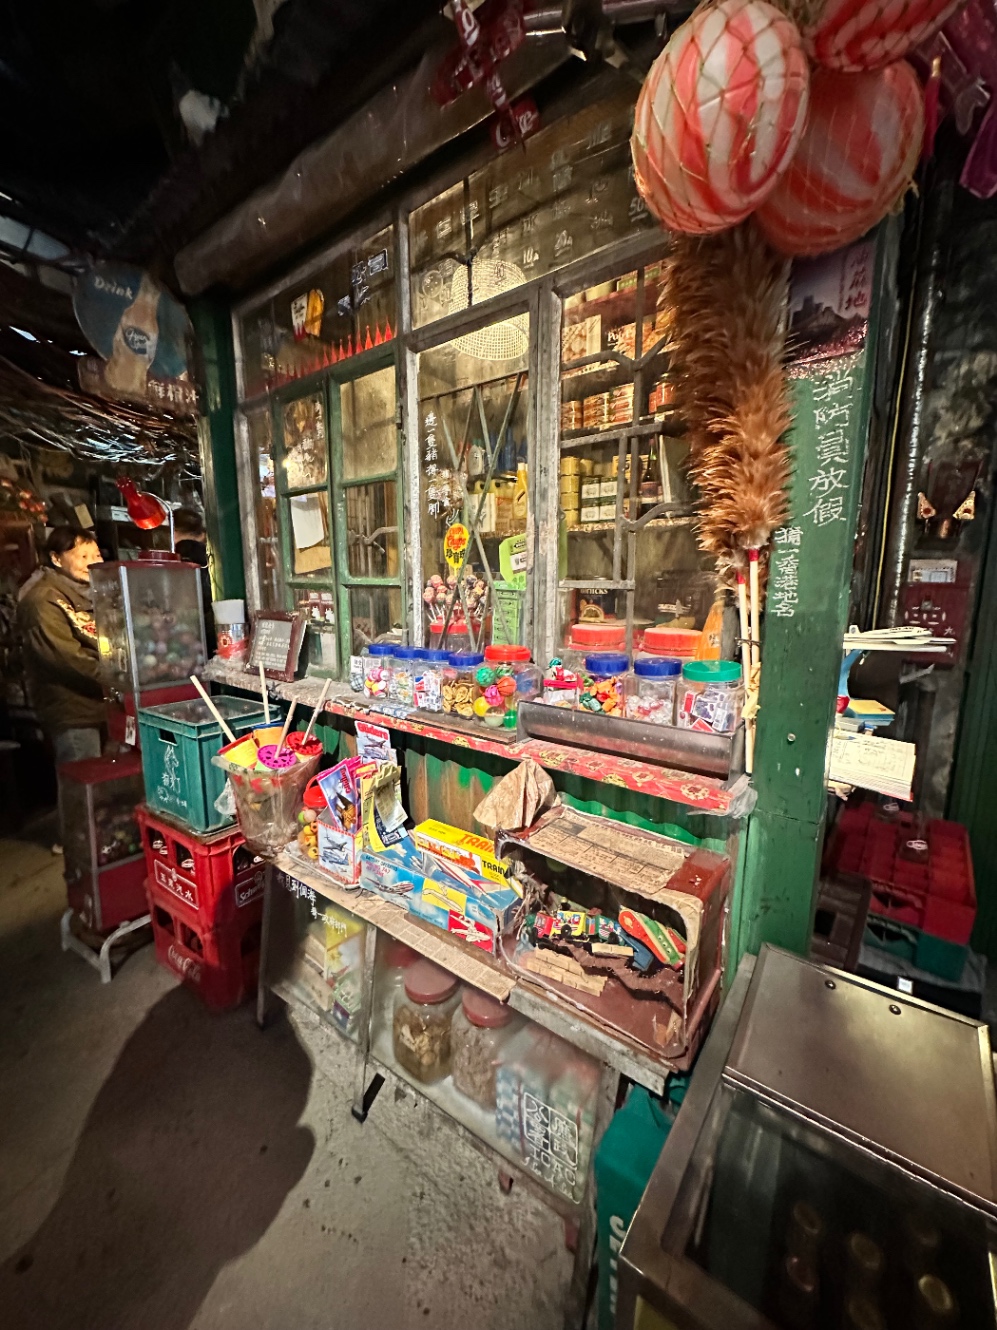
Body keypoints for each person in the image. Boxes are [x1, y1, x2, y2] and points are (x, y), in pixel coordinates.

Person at [17, 527, 106, 765]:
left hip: (103, 704)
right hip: (73, 711)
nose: (92, 563)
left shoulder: (96, 592)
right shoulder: (42, 600)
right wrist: (117, 678)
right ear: (56, 559)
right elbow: (66, 658)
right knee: (84, 776)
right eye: (82, 556)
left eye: (96, 555)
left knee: (109, 779)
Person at [173, 507, 216, 655]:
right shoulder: (209, 551)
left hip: (191, 626)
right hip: (211, 621)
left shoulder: (182, 552)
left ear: (174, 531)